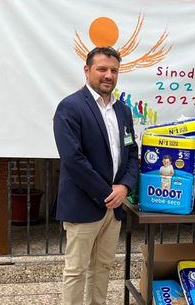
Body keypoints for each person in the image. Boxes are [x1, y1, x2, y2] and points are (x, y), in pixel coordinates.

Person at [53, 46, 139, 305]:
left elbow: (132, 154)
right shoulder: (70, 107)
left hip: (113, 208)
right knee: (76, 270)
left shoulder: (122, 110)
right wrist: (107, 193)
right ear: (87, 70)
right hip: (83, 205)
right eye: (102, 69)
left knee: (103, 267)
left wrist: (124, 187)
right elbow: (73, 160)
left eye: (114, 70)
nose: (108, 75)